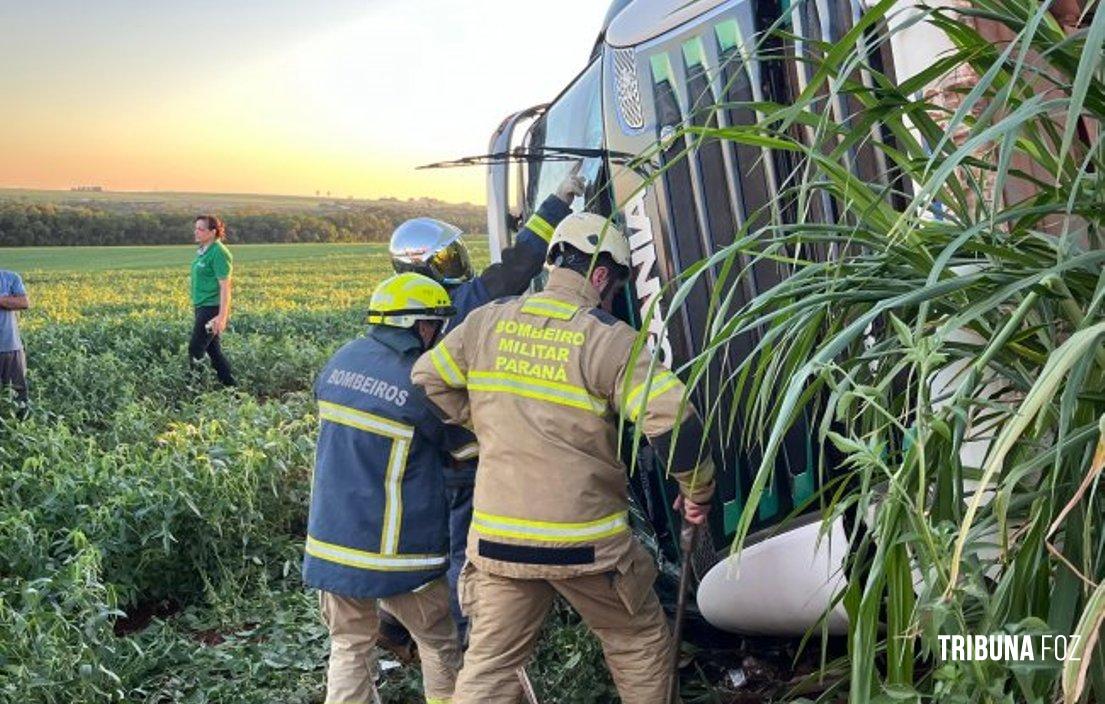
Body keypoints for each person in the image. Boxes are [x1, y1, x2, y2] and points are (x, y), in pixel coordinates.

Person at [412, 212, 715, 704]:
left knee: (489, 664)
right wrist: (696, 491)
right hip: (586, 544)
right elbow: (675, 419)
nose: (611, 297)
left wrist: (483, 425)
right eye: (615, 286)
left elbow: (427, 378)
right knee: (637, 641)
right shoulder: (608, 339)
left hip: (499, 541)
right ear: (599, 275)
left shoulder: (486, 322)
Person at [389, 167, 585, 640]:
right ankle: (472, 633)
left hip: (432, 453)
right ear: (433, 266)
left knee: (439, 544)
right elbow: (518, 267)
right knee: (468, 549)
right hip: (470, 455)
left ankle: (406, 624)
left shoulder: (400, 313)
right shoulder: (465, 304)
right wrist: (556, 205)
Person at [304, 272, 475, 704]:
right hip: (399, 554)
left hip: (333, 544)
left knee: (349, 646)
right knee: (438, 643)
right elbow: (467, 448)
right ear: (420, 326)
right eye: (437, 325)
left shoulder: (341, 360)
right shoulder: (420, 381)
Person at [189, 214, 236, 387]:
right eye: (196, 228)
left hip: (211, 308)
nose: (196, 231)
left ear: (212, 232)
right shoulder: (203, 250)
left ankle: (195, 391)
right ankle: (233, 390)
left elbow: (225, 287)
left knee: (195, 349)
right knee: (214, 351)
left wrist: (222, 316)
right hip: (201, 307)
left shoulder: (219, 252)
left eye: (201, 229)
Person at [0, 269, 30, 415]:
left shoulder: (10, 277)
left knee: (18, 396)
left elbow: (24, 302)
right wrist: (7, 300)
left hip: (10, 347)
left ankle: (20, 430)